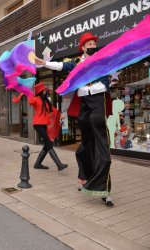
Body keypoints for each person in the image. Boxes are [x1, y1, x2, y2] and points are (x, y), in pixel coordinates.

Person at [35, 32, 113, 206]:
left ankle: (105, 190)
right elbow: (62, 66)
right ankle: (86, 178)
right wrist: (45, 63)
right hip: (84, 101)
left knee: (101, 147)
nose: (93, 46)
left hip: (98, 100)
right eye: (90, 44)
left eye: (94, 43)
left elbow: (120, 54)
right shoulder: (77, 62)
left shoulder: (102, 58)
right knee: (86, 145)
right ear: (83, 47)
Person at [29, 83, 68, 171]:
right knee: (48, 142)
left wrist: (60, 115)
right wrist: (29, 93)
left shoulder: (46, 100)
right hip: (38, 124)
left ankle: (37, 163)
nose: (45, 90)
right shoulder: (35, 99)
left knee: (48, 143)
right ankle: (59, 164)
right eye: (44, 89)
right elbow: (30, 101)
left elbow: (53, 109)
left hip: (44, 124)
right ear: (40, 91)